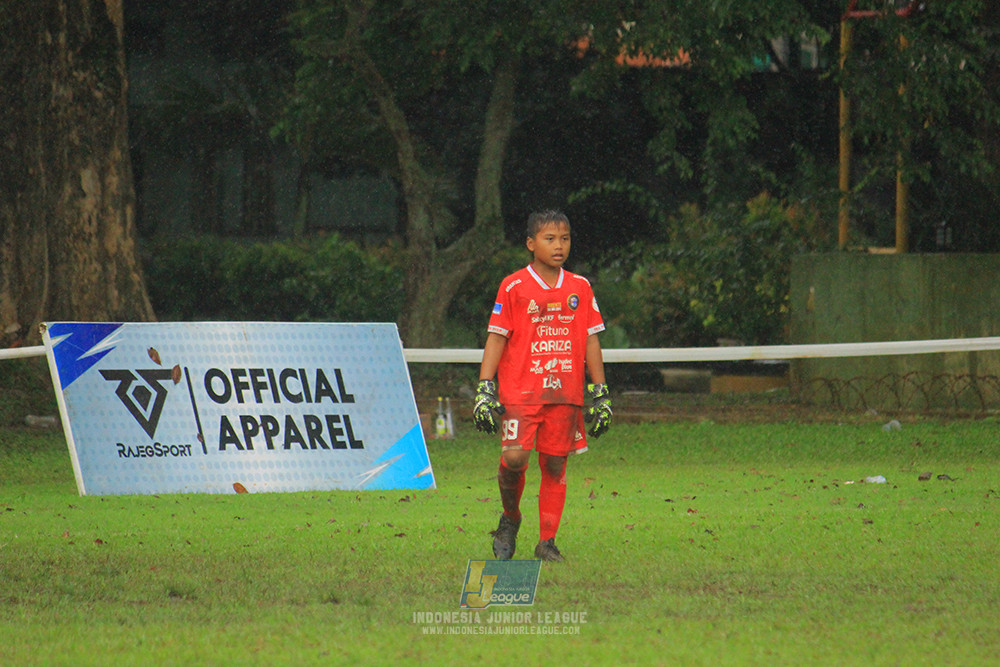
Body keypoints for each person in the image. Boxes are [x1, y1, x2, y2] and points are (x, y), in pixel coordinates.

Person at [473, 209, 612, 562]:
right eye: (550, 239)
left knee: (554, 464)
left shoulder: (581, 286)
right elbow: (496, 336)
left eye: (564, 238)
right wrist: (485, 386)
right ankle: (511, 517)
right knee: (515, 458)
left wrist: (600, 391)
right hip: (520, 390)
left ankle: (546, 542)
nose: (559, 245)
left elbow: (592, 339)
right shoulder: (514, 285)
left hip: (564, 392)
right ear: (531, 243)